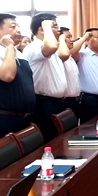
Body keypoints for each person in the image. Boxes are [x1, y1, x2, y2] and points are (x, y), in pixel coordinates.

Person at [0, 13, 35, 142]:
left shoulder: (19, 54)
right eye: (13, 26)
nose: (18, 30)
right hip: (2, 119)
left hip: (24, 119)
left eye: (19, 26)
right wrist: (9, 46)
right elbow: (7, 76)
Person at [23, 13, 71, 142]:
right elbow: (51, 46)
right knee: (49, 142)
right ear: (42, 29)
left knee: (60, 141)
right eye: (54, 26)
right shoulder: (34, 47)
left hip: (57, 103)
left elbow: (64, 54)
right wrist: (47, 26)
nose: (58, 30)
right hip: (43, 104)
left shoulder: (52, 48)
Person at [60, 28, 81, 120]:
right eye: (68, 37)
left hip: (75, 100)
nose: (72, 40)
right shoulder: (58, 56)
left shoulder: (71, 58)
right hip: (64, 101)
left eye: (71, 37)